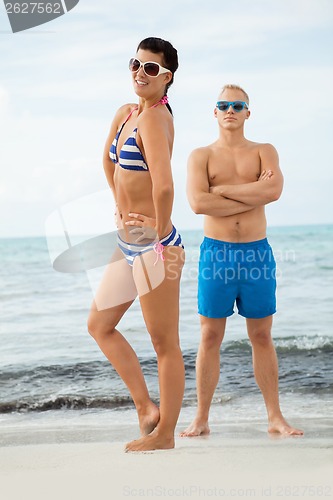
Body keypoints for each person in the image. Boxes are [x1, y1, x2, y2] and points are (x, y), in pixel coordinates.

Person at [181, 84, 303, 438]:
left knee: (262, 335)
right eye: (223, 105)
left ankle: (275, 418)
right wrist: (253, 192)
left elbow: (274, 191)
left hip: (256, 252)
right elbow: (198, 204)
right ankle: (201, 418)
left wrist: (221, 190)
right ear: (214, 112)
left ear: (248, 112)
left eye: (237, 105)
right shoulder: (200, 156)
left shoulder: (265, 151)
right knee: (209, 335)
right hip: (216, 253)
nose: (230, 110)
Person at [87, 37, 185, 452]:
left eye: (150, 68)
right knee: (99, 326)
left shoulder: (154, 120)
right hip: (129, 241)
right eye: (135, 64)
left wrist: (160, 233)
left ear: (167, 78)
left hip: (155, 246)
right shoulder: (127, 114)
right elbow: (107, 161)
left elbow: (164, 185)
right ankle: (146, 407)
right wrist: (118, 205)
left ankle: (165, 436)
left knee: (165, 344)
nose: (139, 73)